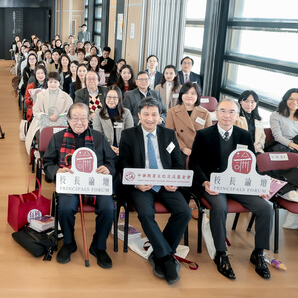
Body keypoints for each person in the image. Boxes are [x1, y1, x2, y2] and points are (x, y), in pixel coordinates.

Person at [189, 99, 274, 280]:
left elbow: (251, 164)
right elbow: (194, 163)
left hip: (239, 183)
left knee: (265, 207)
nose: (227, 116)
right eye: (223, 111)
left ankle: (258, 253)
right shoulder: (204, 134)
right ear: (216, 113)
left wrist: (258, 185)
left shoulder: (244, 135)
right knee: (220, 207)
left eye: (231, 112)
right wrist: (204, 182)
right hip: (213, 184)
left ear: (237, 115)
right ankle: (221, 253)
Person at [116, 97, 190, 284]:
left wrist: (175, 182)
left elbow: (178, 164)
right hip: (141, 186)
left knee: (184, 212)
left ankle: (160, 253)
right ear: (139, 115)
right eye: (146, 114)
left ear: (160, 116)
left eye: (154, 115)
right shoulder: (128, 135)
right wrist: (136, 183)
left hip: (166, 184)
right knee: (146, 214)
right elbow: (123, 165)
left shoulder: (168, 135)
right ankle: (166, 258)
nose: (150, 118)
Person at [42, 103, 117, 268]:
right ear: (68, 119)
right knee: (66, 208)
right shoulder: (58, 138)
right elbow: (47, 164)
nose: (79, 122)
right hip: (70, 184)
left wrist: (108, 168)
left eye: (83, 118)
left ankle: (99, 246)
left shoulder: (98, 137)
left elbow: (112, 162)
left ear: (89, 119)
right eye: (75, 118)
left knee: (108, 208)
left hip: (95, 185)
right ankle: (69, 243)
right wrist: (57, 171)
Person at [165, 82, 210, 158]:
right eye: (186, 93)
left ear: (198, 96)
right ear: (181, 95)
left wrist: (198, 148)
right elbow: (170, 134)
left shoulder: (205, 113)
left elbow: (208, 135)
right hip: (178, 148)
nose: (189, 96)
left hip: (199, 149)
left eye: (193, 93)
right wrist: (183, 147)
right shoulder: (172, 112)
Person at [92, 88, 134, 153]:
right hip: (105, 149)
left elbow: (130, 134)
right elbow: (98, 135)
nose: (111, 100)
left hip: (123, 149)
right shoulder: (98, 113)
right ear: (105, 98)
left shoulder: (126, 112)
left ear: (119, 99)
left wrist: (121, 148)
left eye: (115, 98)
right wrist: (109, 147)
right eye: (109, 97)